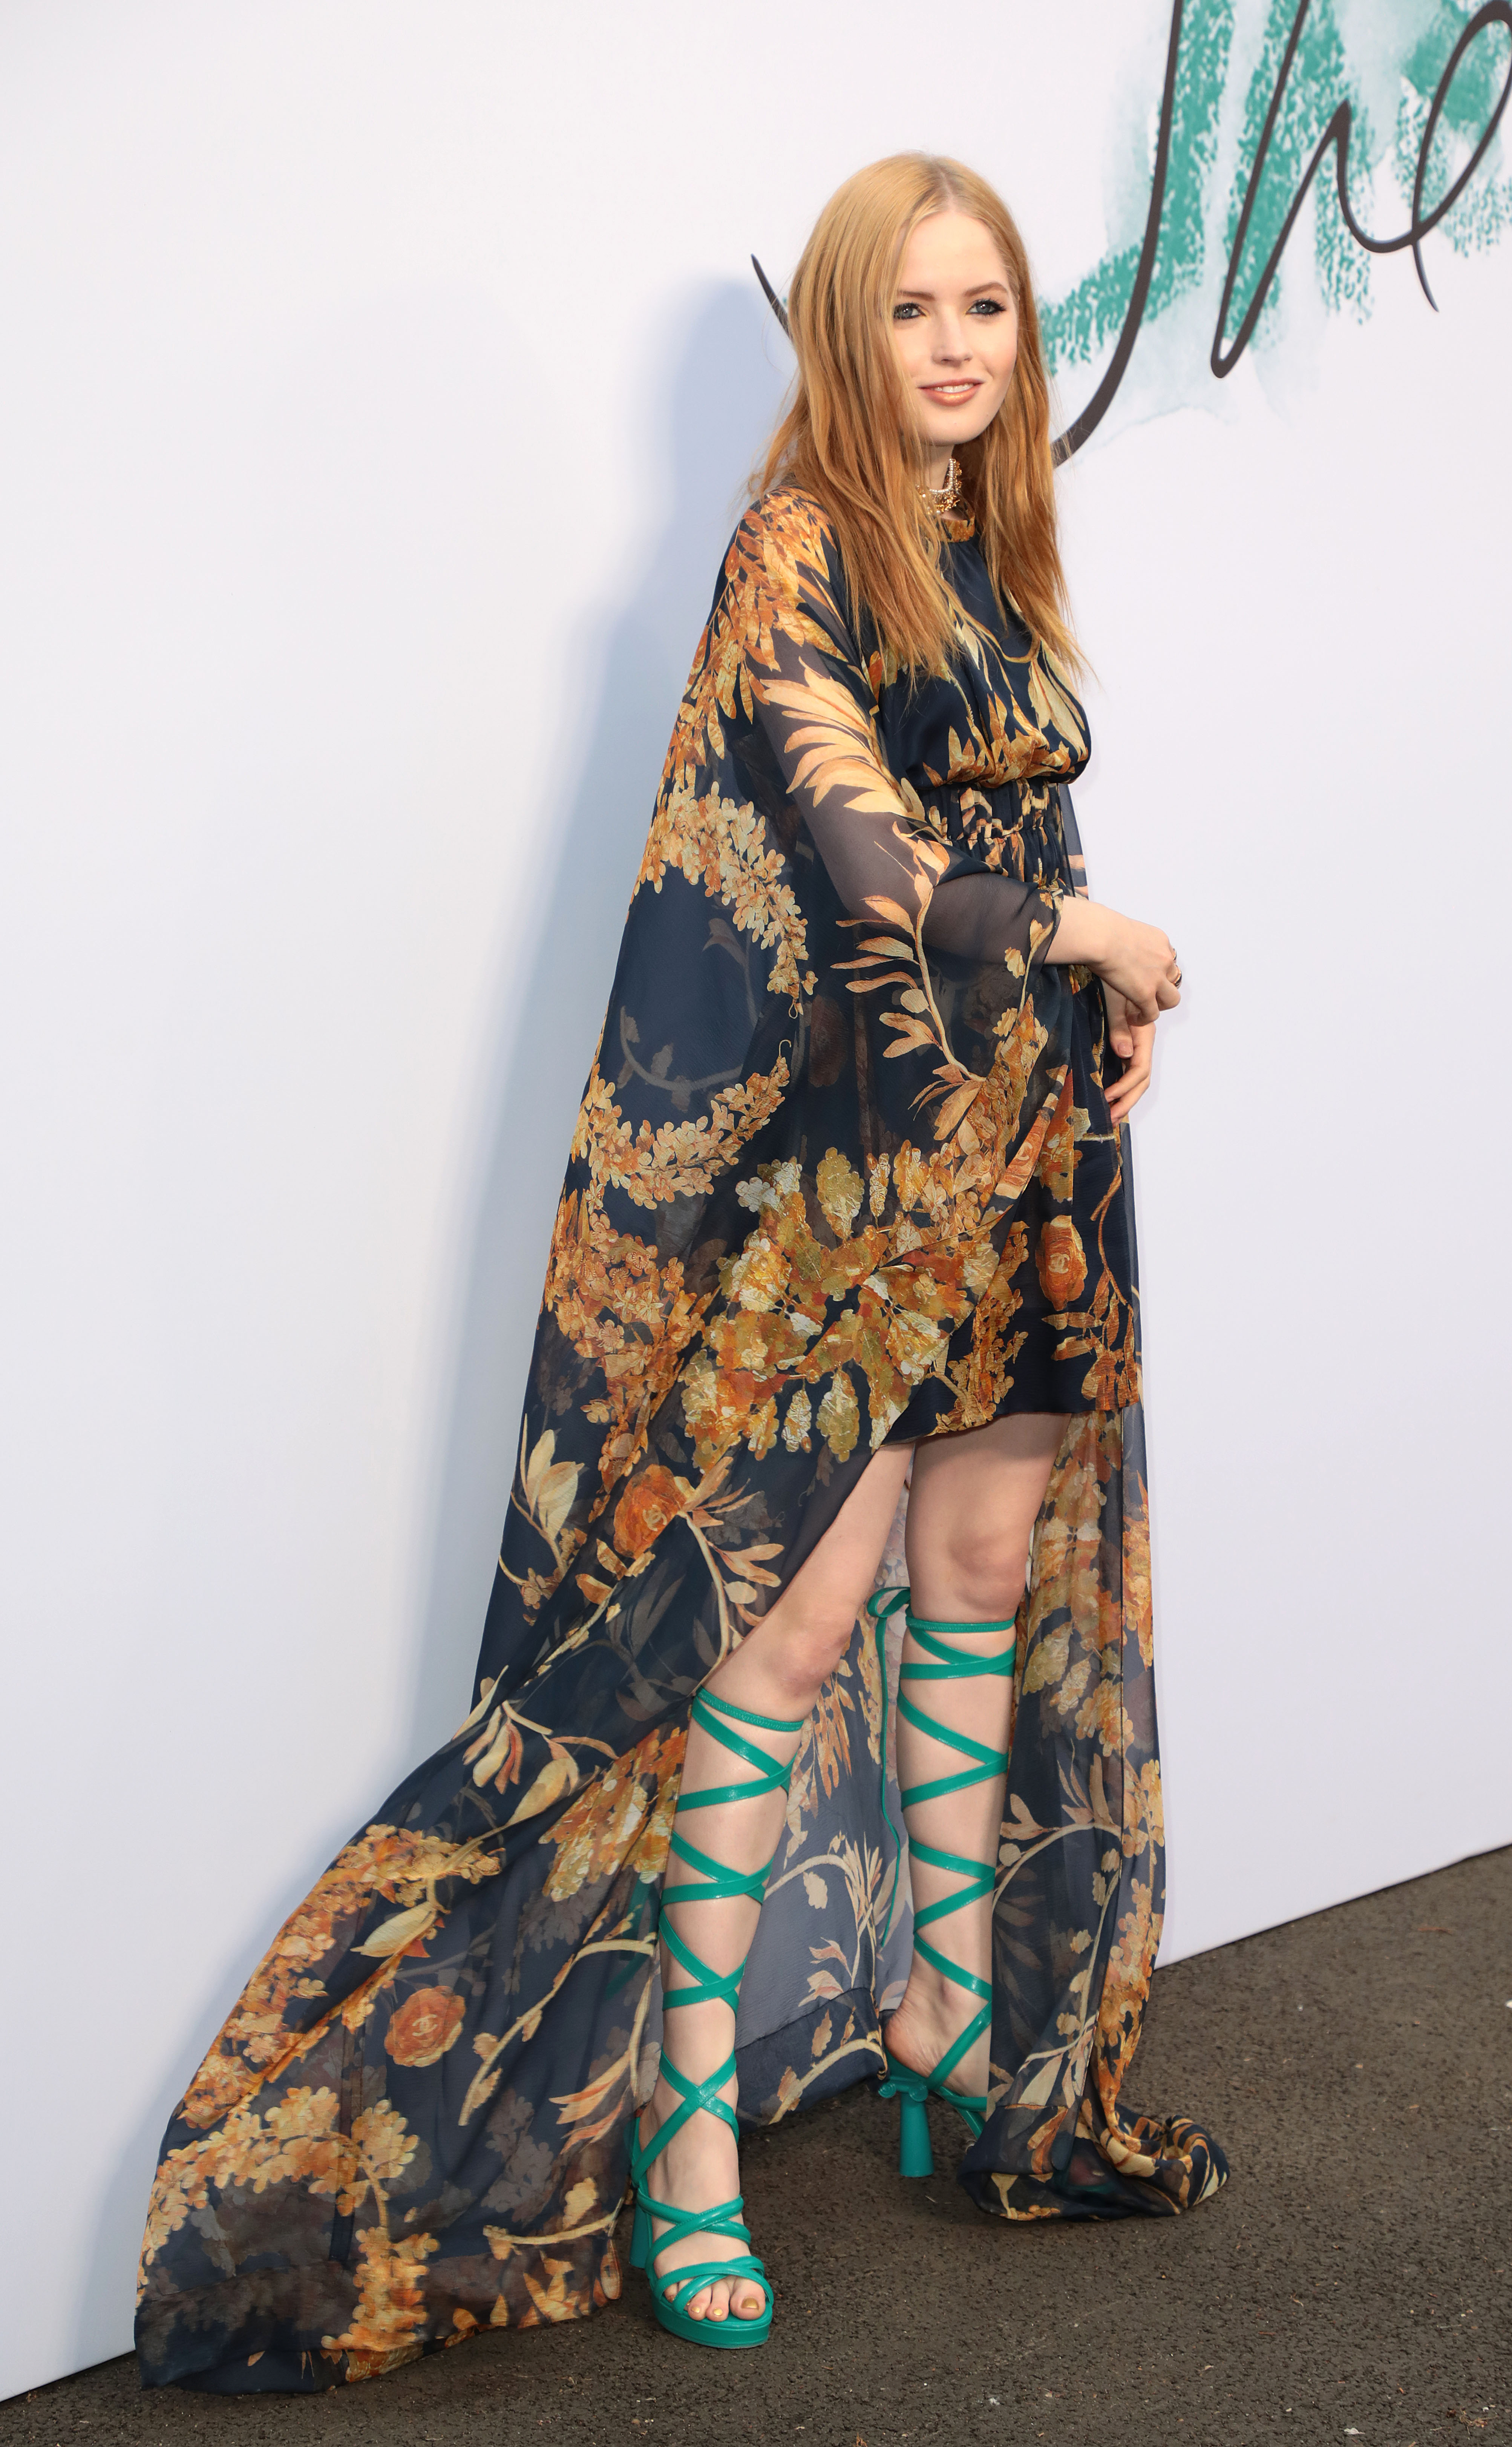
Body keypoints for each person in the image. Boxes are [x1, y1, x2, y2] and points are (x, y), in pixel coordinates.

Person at [136, 152, 1224, 2392]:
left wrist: (1095, 1005)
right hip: (846, 1189)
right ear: (844, 328)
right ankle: (687, 2134)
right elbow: (868, 862)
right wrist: (1094, 934)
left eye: (988, 307)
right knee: (787, 1625)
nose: (954, 346)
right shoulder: (793, 543)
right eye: (912, 307)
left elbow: (1011, 826)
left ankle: (942, 2019)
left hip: (1023, 1154)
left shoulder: (992, 535)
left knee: (979, 1565)